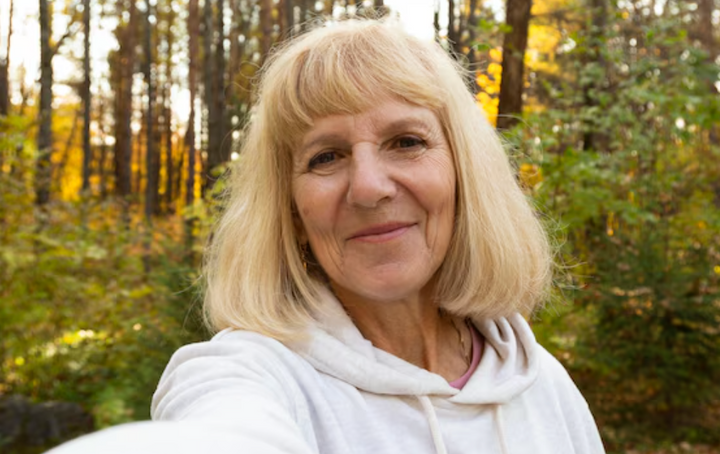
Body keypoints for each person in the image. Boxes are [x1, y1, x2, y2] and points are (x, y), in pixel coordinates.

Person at [49, 19, 605, 454]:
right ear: (291, 211)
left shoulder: (541, 384)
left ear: (464, 173)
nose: (368, 187)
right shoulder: (252, 376)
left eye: (406, 142)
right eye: (326, 157)